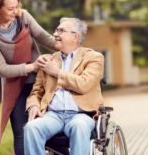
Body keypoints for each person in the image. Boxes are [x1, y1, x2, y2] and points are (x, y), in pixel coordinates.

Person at [0, 0, 55, 155]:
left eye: (17, 6)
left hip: (39, 83)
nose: (15, 11)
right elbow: (1, 69)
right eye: (10, 8)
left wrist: (69, 45)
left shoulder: (23, 17)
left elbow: (45, 38)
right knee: (21, 133)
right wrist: (31, 67)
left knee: (46, 128)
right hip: (14, 87)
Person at [24, 17, 104, 155]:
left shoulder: (93, 57)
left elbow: (83, 84)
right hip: (53, 115)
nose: (55, 34)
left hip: (81, 114)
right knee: (31, 127)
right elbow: (36, 92)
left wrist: (56, 73)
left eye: (61, 31)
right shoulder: (48, 60)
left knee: (79, 126)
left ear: (75, 36)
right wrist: (33, 105)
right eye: (56, 30)